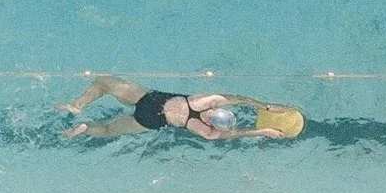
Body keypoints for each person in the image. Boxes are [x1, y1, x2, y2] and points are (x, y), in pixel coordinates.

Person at [61, 76, 305, 141]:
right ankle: (84, 129)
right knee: (106, 130)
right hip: (151, 122)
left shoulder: (206, 101)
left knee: (105, 82)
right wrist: (260, 132)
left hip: (151, 100)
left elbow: (240, 98)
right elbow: (232, 134)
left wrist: (267, 106)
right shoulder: (205, 131)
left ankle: (78, 105)